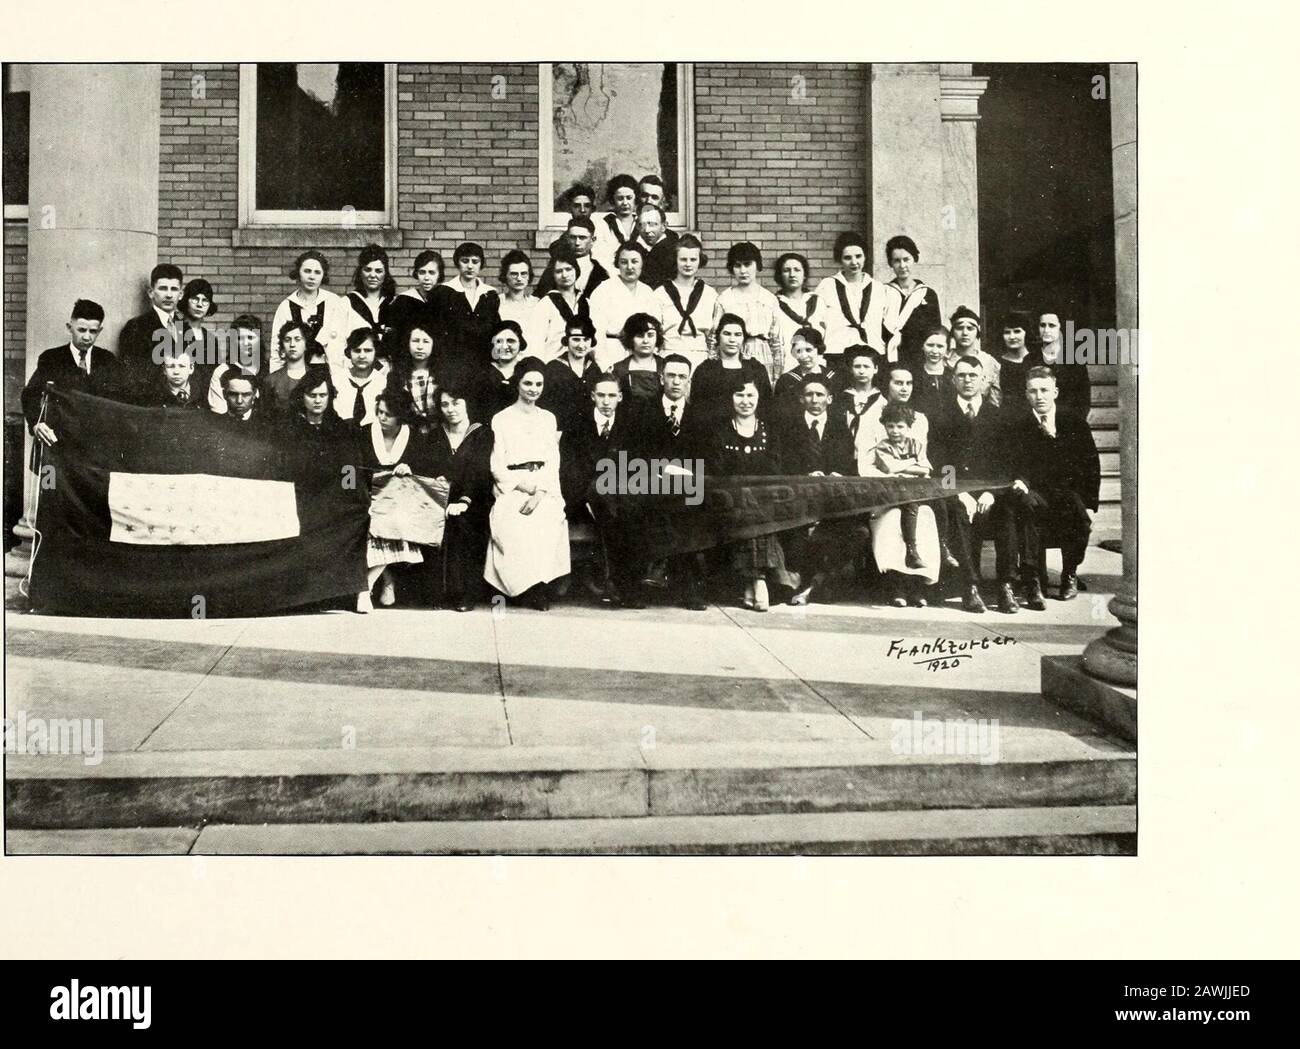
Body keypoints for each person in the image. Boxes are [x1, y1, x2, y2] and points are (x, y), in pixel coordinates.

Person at [929, 355, 1019, 614]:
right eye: (962, 375)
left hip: (991, 491)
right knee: (955, 510)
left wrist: (991, 492)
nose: (967, 381)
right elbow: (939, 461)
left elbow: (1006, 460)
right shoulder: (941, 415)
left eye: (973, 376)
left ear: (983, 380)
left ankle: (1005, 586)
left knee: (1007, 512)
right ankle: (970, 585)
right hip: (957, 489)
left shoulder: (998, 416)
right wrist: (960, 492)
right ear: (953, 379)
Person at [483, 356, 570, 609]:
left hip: (544, 486)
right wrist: (522, 486)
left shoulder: (548, 418)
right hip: (512, 484)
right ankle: (515, 589)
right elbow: (496, 463)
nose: (533, 389)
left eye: (539, 384)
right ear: (517, 384)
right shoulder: (502, 418)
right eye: (528, 383)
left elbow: (553, 460)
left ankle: (537, 587)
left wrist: (540, 491)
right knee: (513, 520)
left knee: (546, 518)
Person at [704, 375, 794, 612]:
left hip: (764, 500)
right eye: (739, 395)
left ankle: (752, 581)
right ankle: (759, 580)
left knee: (757, 513)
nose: (745, 401)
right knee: (749, 514)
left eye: (750, 395)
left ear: (759, 398)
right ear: (731, 398)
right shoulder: (720, 431)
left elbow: (775, 469)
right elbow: (718, 469)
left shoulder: (769, 431)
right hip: (729, 500)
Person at [1010, 366, 1101, 602]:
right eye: (1033, 391)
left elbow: (1091, 465)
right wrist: (1020, 481)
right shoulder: (1018, 425)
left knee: (1081, 519)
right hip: (1035, 490)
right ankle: (1032, 579)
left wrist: (1090, 502)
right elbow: (1013, 462)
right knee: (1026, 508)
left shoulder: (1074, 423)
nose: (1039, 396)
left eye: (1044, 390)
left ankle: (1069, 573)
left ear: (1056, 392)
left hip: (1066, 491)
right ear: (1026, 394)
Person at [357, 387, 446, 612]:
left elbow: (425, 475)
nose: (382, 417)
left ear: (401, 416)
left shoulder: (415, 438)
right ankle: (386, 579)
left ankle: (365, 586)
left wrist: (411, 468)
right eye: (379, 412)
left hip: (402, 502)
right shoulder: (364, 434)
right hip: (368, 498)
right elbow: (353, 471)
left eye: (388, 414)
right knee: (369, 519)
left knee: (394, 521)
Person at [569, 373, 649, 607]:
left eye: (611, 396)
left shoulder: (629, 427)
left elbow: (636, 465)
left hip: (618, 495)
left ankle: (619, 583)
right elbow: (570, 468)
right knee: (614, 508)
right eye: (601, 395)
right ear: (593, 396)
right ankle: (623, 585)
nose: (606, 401)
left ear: (620, 397)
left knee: (626, 511)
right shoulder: (578, 425)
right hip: (583, 496)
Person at [778, 373, 858, 606]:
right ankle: (803, 583)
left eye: (820, 394)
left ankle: (818, 583)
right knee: (796, 536)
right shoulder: (789, 427)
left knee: (853, 533)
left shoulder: (840, 427)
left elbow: (848, 464)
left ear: (830, 399)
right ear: (801, 399)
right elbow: (782, 462)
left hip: (831, 499)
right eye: (809, 395)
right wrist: (804, 476)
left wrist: (837, 475)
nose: (814, 399)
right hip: (798, 496)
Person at [635, 353, 707, 610]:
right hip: (651, 480)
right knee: (652, 505)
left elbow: (706, 454)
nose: (676, 382)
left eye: (682, 377)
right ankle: (650, 578)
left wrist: (686, 472)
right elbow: (635, 451)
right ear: (660, 378)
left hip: (688, 482)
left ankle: (685, 586)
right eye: (671, 375)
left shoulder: (699, 415)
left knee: (688, 509)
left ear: (688, 381)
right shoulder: (643, 410)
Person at [863, 402, 938, 607]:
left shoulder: (917, 444)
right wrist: (912, 467)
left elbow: (927, 469)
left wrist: (908, 469)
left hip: (913, 496)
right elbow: (890, 468)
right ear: (885, 427)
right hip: (889, 497)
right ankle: (898, 586)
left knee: (925, 517)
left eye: (900, 426)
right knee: (893, 524)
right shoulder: (882, 446)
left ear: (909, 427)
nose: (895, 431)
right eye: (891, 426)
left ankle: (916, 586)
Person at [22, 299, 123, 449]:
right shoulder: (51, 358)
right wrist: (36, 423)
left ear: (100, 330)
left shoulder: (107, 360)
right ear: (70, 327)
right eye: (81, 330)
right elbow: (30, 394)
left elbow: (119, 399)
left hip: (98, 446)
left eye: (93, 331)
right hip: (60, 444)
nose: (87, 337)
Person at [431, 383, 494, 611]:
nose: (451, 409)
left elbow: (479, 471)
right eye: (445, 404)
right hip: (442, 496)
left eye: (456, 403)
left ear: (466, 404)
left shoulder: (481, 433)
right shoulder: (437, 434)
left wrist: (464, 500)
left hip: (475, 497)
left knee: (464, 524)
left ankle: (465, 594)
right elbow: (431, 466)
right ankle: (438, 592)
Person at [270, 250, 359, 370]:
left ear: (323, 275)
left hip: (330, 372)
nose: (312, 277)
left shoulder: (334, 302)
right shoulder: (286, 307)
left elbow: (347, 341)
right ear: (298, 273)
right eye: (307, 271)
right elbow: (277, 349)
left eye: (317, 272)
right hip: (297, 373)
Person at [812, 231, 888, 368]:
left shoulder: (878, 288)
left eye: (858, 256)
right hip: (837, 353)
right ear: (840, 260)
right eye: (847, 258)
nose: (854, 262)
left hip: (872, 353)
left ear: (865, 257)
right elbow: (817, 322)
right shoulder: (827, 286)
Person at [713, 241, 784, 386]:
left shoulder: (769, 299)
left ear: (757, 265)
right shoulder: (724, 299)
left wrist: (777, 376)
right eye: (737, 265)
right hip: (732, 356)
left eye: (747, 264)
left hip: (763, 355)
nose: (743, 270)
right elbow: (714, 339)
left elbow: (776, 341)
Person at [688, 313, 772, 425]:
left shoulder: (756, 369)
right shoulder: (705, 370)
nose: (732, 339)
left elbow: (766, 407)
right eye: (727, 334)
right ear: (718, 337)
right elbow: (698, 410)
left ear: (744, 339)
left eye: (738, 334)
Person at [116, 263, 184, 400]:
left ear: (181, 294)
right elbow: (133, 375)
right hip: (152, 406)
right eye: (163, 288)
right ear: (151, 293)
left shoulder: (185, 328)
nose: (169, 295)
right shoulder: (136, 327)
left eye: (174, 289)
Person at [587, 241, 657, 368]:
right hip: (611, 352)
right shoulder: (603, 290)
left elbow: (655, 328)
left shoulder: (647, 292)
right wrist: (604, 364)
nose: (629, 267)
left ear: (642, 263)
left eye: (635, 261)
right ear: (617, 264)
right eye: (624, 262)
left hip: (641, 356)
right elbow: (595, 332)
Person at [434, 242, 501, 373]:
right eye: (465, 261)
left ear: (481, 264)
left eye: (475, 261)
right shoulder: (443, 292)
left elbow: (495, 329)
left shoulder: (490, 294)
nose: (470, 266)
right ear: (457, 263)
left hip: (483, 363)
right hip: (452, 364)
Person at [654, 234, 717, 370]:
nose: (688, 264)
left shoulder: (710, 294)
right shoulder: (660, 293)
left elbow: (715, 332)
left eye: (693, 259)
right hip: (669, 355)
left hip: (701, 358)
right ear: (675, 260)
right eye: (683, 259)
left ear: (700, 261)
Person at [881, 235, 942, 375]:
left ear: (915, 259)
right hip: (888, 362)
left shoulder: (928, 294)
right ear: (890, 263)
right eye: (897, 261)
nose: (902, 266)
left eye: (906, 259)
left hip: (919, 362)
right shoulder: (882, 292)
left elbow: (934, 332)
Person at [541, 316, 603, 436]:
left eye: (586, 339)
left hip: (590, 434)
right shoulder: (553, 369)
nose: (581, 345)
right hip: (560, 433)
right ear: (567, 340)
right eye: (576, 339)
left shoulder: (595, 369)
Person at [532, 243, 593, 359]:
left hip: (581, 364)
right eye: (559, 271)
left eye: (568, 269)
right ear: (553, 275)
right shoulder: (546, 304)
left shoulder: (586, 303)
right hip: (554, 365)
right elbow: (536, 344)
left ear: (576, 271)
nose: (564, 275)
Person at [385, 249, 446, 360]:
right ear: (416, 274)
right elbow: (393, 337)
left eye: (432, 273)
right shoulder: (403, 301)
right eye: (422, 272)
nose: (426, 278)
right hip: (407, 360)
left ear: (439, 274)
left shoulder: (446, 300)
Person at [772, 252, 823, 373]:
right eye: (786, 270)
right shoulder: (773, 303)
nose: (792, 274)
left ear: (804, 274)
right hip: (786, 367)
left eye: (797, 270)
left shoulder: (818, 302)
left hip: (815, 367)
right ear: (780, 275)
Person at [534, 217, 609, 298]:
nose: (577, 243)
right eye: (573, 237)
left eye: (582, 238)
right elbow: (540, 295)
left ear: (593, 240)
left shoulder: (600, 273)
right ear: (567, 239)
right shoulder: (556, 267)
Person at [1036, 309, 1092, 417]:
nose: (1046, 330)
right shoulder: (1031, 358)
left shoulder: (1074, 361)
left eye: (1052, 326)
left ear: (1060, 328)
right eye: (1042, 325)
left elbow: (1083, 399)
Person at [386, 321, 440, 432]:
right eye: (415, 341)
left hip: (439, 434)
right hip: (410, 434)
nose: (420, 347)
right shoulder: (397, 376)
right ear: (408, 343)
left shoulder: (441, 375)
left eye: (426, 342)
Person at [206, 314, 264, 413]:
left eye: (250, 338)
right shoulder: (221, 371)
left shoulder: (268, 370)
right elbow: (219, 412)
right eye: (240, 338)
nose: (245, 343)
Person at [331, 328, 389, 426]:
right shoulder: (336, 380)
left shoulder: (382, 382)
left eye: (367, 351)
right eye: (357, 351)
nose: (362, 356)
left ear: (376, 352)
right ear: (349, 352)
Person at [346, 244, 398, 352]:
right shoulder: (346, 303)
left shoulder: (394, 303)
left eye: (378, 271)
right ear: (360, 272)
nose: (373, 275)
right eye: (368, 270)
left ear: (385, 274)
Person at [774, 327, 835, 417]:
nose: (804, 356)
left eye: (808, 350)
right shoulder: (786, 381)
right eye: (799, 351)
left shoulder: (833, 377)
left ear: (818, 349)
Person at [946, 305, 1001, 405]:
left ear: (977, 332)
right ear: (952, 332)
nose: (965, 333)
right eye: (959, 328)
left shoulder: (989, 362)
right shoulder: (944, 360)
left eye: (970, 328)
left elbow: (995, 402)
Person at [610, 312, 667, 404]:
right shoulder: (619, 369)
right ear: (630, 338)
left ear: (657, 338)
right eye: (640, 336)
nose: (645, 341)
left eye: (650, 335)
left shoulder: (665, 366)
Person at [479, 320, 528, 419]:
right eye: (499, 341)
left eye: (511, 341)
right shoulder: (482, 372)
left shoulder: (527, 370)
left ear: (520, 343)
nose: (505, 346)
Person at [497, 249, 544, 352]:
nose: (519, 278)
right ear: (505, 276)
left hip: (532, 361)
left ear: (529, 276)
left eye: (523, 274)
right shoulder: (497, 303)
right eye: (514, 274)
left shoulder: (537, 304)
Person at [592, 173, 640, 274]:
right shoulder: (603, 225)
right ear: (612, 200)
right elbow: (599, 257)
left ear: (635, 198)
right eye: (620, 198)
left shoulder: (642, 224)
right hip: (612, 277)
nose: (625, 203)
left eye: (629, 197)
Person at [263, 320, 313, 412]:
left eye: (297, 339)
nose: (292, 345)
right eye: (287, 340)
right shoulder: (271, 381)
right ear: (282, 346)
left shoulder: (315, 378)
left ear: (306, 345)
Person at [178, 277, 218, 391]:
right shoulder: (174, 330)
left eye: (205, 300)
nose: (200, 305)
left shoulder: (210, 339)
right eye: (195, 299)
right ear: (186, 300)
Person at [838, 346, 886, 440]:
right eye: (857, 366)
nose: (861, 371)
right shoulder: (842, 398)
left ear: (875, 369)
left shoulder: (882, 400)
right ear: (851, 369)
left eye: (866, 367)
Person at [996, 310, 1037, 417]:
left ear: (1026, 332)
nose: (1012, 337)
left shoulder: (1037, 359)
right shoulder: (997, 363)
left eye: (1017, 331)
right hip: (1007, 417)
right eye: (1007, 332)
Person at [911, 326, 955, 420]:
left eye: (940, 346)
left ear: (947, 350)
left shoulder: (953, 376)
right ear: (922, 346)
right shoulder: (913, 376)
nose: (934, 351)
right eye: (930, 345)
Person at [634, 203, 679, 289]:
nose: (647, 230)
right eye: (642, 225)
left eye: (652, 224)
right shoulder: (634, 247)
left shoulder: (674, 251)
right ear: (637, 227)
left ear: (664, 226)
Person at [215, 368, 271, 433]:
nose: (239, 401)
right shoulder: (215, 424)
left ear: (254, 394)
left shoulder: (267, 426)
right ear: (224, 394)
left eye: (246, 395)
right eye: (233, 394)